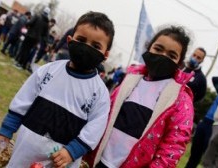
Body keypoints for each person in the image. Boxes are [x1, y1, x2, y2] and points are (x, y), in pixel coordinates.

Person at [0, 11, 115, 168]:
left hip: (60, 161)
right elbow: (22, 101)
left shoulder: (100, 93)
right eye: (81, 40)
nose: (86, 47)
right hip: (25, 150)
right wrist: (6, 130)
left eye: (96, 46)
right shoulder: (47, 71)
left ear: (105, 55)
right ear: (70, 40)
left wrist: (72, 151)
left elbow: (95, 128)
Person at [83, 25, 194, 168]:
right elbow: (106, 115)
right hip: (99, 161)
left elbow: (173, 145)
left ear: (179, 63)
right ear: (148, 49)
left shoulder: (180, 99)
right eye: (158, 49)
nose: (162, 56)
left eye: (171, 55)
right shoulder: (130, 80)